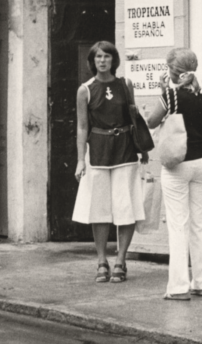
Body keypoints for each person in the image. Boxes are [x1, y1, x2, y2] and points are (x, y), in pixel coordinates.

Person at [72, 41, 147, 284]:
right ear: (92, 61)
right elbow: (83, 127)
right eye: (98, 57)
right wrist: (80, 160)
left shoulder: (125, 85)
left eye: (107, 56)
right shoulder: (85, 89)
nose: (102, 61)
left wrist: (142, 147)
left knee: (126, 209)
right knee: (99, 209)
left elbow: (133, 117)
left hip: (125, 151)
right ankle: (102, 260)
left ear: (114, 60)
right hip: (98, 153)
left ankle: (121, 260)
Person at [145, 48, 202, 300]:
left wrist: (162, 93)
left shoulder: (171, 96)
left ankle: (178, 287)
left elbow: (152, 122)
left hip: (177, 164)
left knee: (178, 225)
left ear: (173, 71)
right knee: (199, 224)